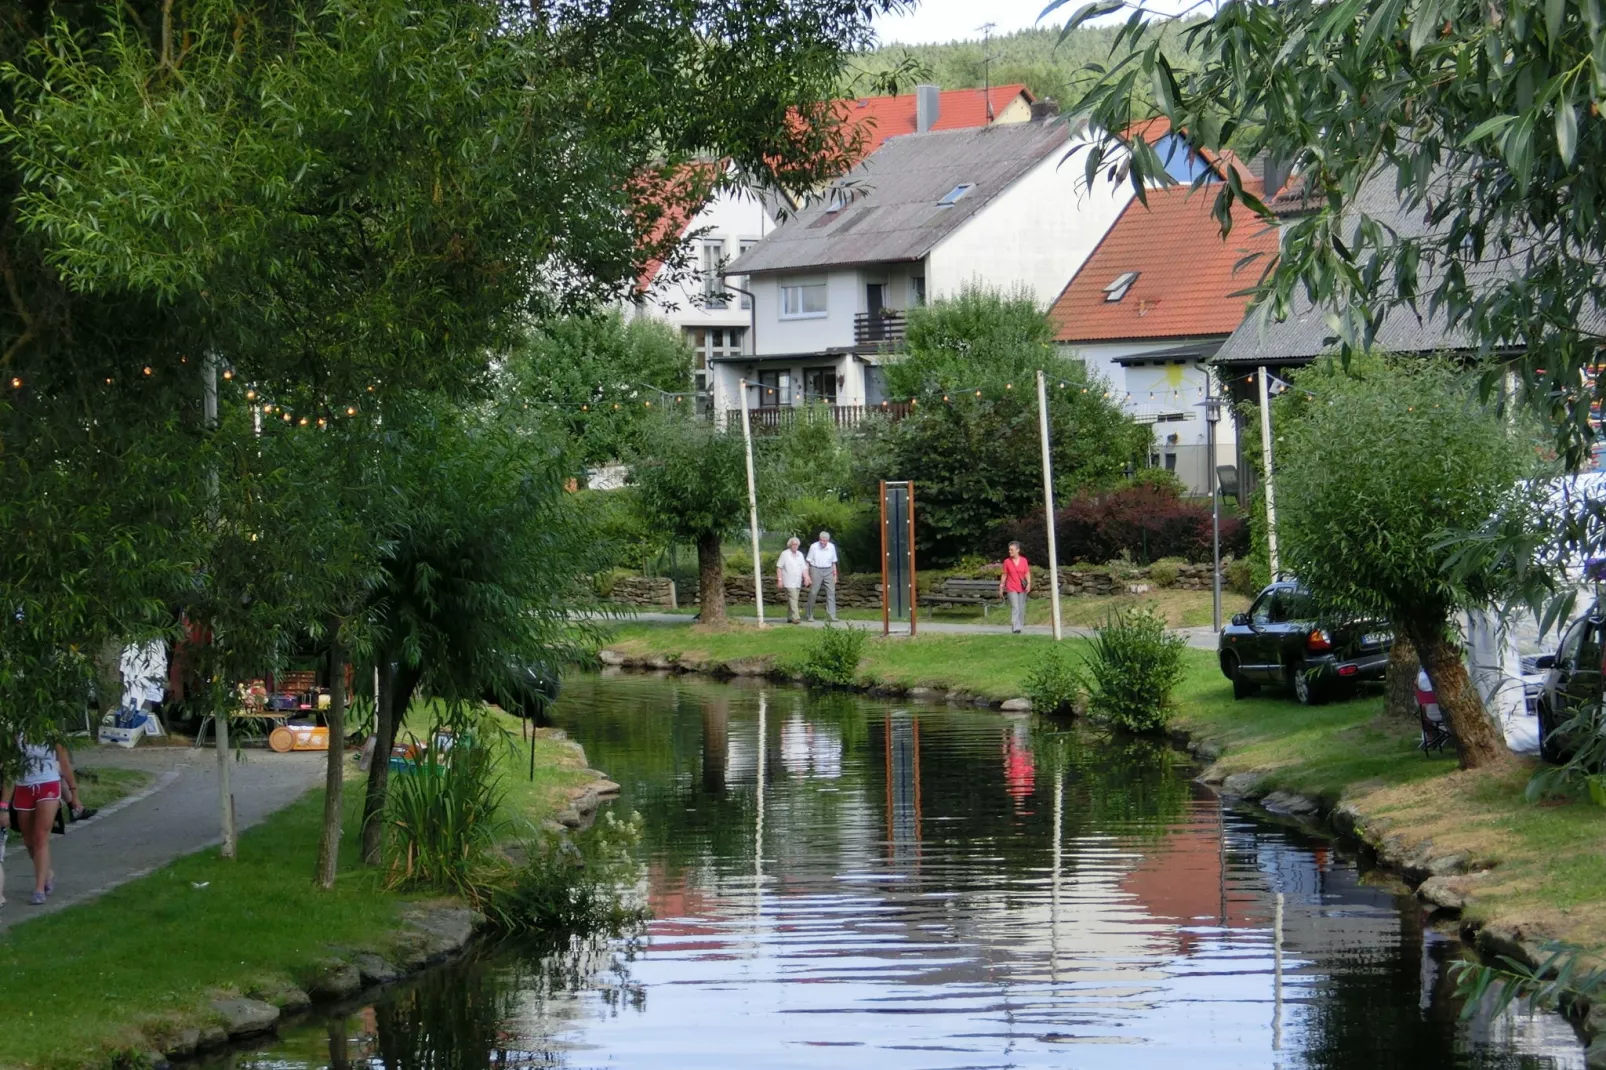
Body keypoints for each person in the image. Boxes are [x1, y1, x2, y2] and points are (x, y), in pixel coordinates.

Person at [1, 737, 80, 906]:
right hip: (23, 787)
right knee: (29, 841)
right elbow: (10, 770)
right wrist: (4, 806)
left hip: (48, 783)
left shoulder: (51, 732)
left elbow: (64, 764)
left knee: (40, 838)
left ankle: (39, 888)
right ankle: (47, 873)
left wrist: (74, 796)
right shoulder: (16, 732)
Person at [804, 531, 839, 623]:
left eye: (824, 540)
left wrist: (835, 575)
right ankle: (809, 614)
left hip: (828, 570)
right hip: (816, 569)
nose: (822, 542)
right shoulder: (814, 546)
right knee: (813, 592)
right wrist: (807, 575)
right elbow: (807, 562)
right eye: (821, 540)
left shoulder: (831, 547)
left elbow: (833, 562)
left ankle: (832, 615)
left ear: (828, 540)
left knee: (831, 592)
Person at [999, 541, 1032, 634]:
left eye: (1012, 550)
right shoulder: (1007, 561)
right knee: (1015, 607)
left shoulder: (1024, 560)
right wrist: (1001, 586)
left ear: (1018, 550)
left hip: (1022, 587)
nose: (1010, 551)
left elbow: (1027, 573)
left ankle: (1020, 626)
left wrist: (1029, 583)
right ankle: (1015, 627)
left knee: (1021, 607)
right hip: (1011, 587)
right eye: (1009, 550)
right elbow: (1004, 574)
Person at [776, 537, 810, 624]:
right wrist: (780, 580)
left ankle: (790, 617)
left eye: (796, 545)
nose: (795, 546)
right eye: (793, 544)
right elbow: (779, 567)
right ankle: (796, 617)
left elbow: (804, 568)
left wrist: (806, 577)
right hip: (788, 581)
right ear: (790, 545)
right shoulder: (784, 554)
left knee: (793, 600)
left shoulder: (800, 555)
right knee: (793, 598)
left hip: (797, 581)